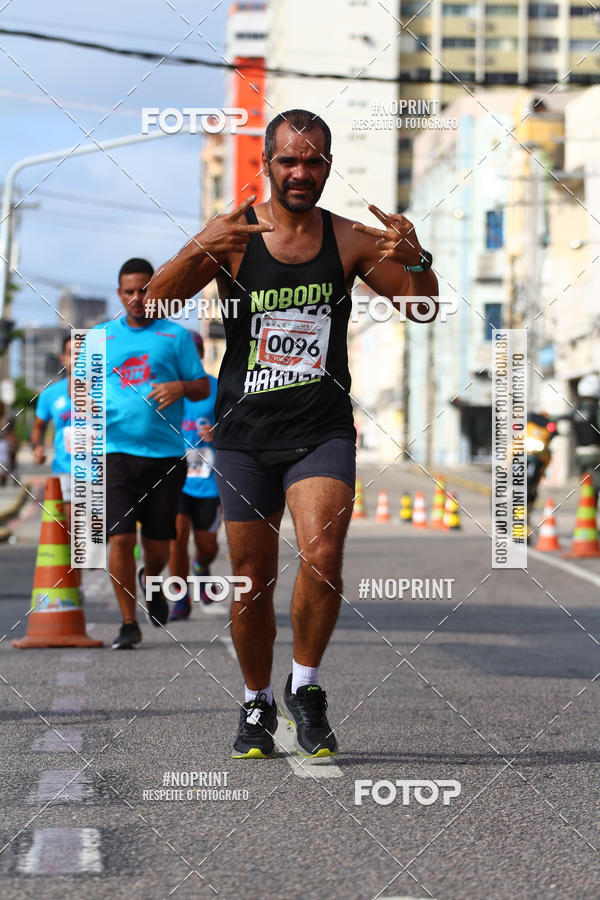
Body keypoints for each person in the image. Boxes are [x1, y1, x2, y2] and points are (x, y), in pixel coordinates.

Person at [146, 109, 439, 758]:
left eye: (313, 161)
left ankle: (305, 686)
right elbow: (154, 304)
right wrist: (199, 242)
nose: (301, 172)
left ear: (328, 167)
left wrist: (419, 258)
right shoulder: (233, 239)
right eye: (288, 161)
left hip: (321, 428)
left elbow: (420, 307)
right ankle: (257, 700)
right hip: (245, 433)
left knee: (323, 555)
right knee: (251, 578)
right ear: (268, 166)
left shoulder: (353, 240)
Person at [91, 258, 209, 650]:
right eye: (129, 291)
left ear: (155, 291)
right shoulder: (100, 337)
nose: (137, 298)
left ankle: (150, 579)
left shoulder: (175, 337)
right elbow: (83, 391)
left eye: (144, 289)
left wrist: (178, 387)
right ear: (119, 294)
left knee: (160, 545)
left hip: (166, 454)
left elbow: (201, 388)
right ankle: (128, 622)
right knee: (120, 539)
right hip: (116, 453)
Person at [168, 331, 221, 619]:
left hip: (209, 481)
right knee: (176, 536)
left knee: (208, 545)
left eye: (193, 351)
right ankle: (181, 597)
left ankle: (202, 565)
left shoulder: (217, 388)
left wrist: (217, 433)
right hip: (176, 478)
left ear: (200, 355)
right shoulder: (166, 390)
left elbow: (237, 427)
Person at [30, 335, 74, 545]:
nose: (77, 358)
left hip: (102, 470)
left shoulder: (105, 391)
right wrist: (37, 447)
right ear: (63, 358)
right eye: (72, 353)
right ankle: (78, 578)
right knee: (72, 532)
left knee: (99, 537)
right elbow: (38, 427)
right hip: (65, 469)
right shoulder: (51, 395)